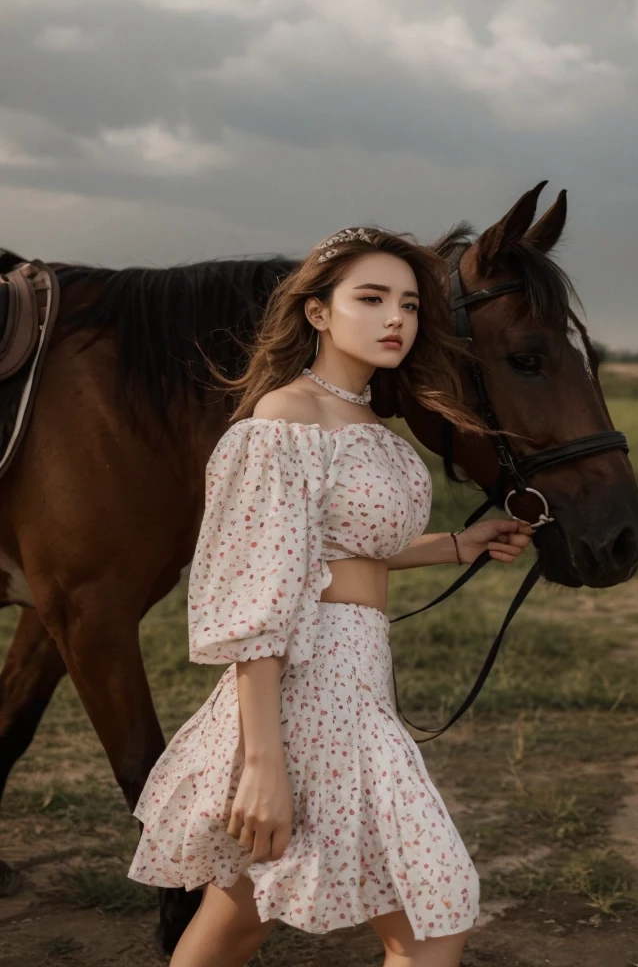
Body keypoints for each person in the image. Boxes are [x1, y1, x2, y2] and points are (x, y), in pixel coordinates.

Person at [127, 226, 534, 967]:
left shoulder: (369, 424)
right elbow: (261, 594)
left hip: (357, 682)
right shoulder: (283, 421)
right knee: (431, 918)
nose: (396, 320)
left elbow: (339, 554)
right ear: (317, 312)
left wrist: (456, 545)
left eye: (409, 304)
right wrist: (262, 761)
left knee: (238, 920)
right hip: (309, 692)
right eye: (371, 298)